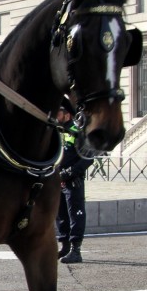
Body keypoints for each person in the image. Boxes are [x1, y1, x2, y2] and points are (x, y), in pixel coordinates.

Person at [56, 106, 93, 264]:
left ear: (67, 115)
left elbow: (88, 158)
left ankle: (75, 250)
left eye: (58, 111)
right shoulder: (55, 130)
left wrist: (70, 172)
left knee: (75, 215)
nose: (55, 113)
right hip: (57, 181)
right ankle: (64, 246)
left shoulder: (78, 131)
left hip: (73, 181)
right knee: (61, 215)